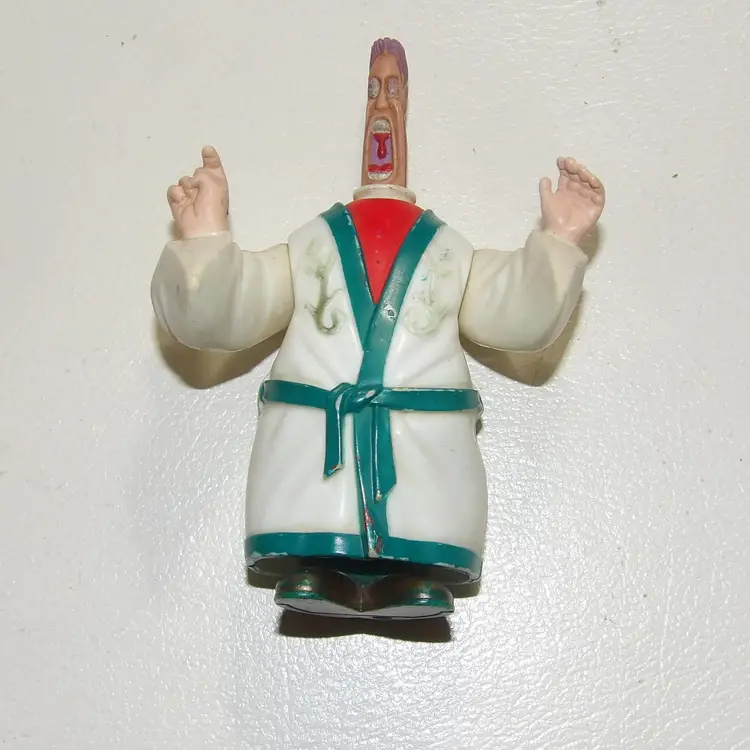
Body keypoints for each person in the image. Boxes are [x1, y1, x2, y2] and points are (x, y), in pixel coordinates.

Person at [151, 38, 605, 619]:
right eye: (373, 91)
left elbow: (514, 314)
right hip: (317, 444)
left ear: (406, 105)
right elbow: (236, 309)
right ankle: (323, 569)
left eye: (393, 90)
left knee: (418, 513)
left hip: (420, 441)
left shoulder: (449, 250)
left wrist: (559, 240)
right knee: (322, 511)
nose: (383, 106)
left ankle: (408, 576)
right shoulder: (311, 242)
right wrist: (206, 238)